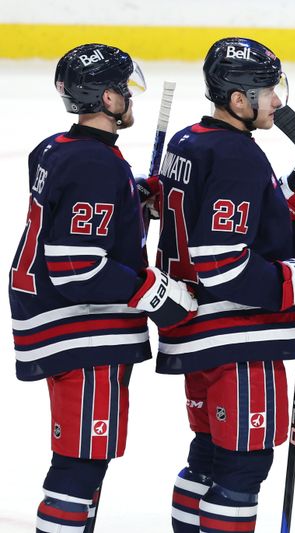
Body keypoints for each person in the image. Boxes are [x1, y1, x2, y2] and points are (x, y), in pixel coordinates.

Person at [8, 43, 197, 533]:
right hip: (82, 331)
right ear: (108, 99)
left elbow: (70, 213)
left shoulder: (56, 149)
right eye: (124, 91)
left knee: (85, 461)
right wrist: (157, 295)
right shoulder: (97, 164)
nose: (131, 100)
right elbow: (76, 265)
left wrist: (130, 200)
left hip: (59, 325)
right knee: (81, 463)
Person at [153, 37, 295, 533]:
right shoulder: (236, 154)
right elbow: (223, 262)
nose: (278, 100)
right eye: (267, 90)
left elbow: (244, 226)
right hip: (235, 337)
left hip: (196, 333)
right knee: (243, 466)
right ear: (238, 101)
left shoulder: (190, 141)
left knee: (209, 456)